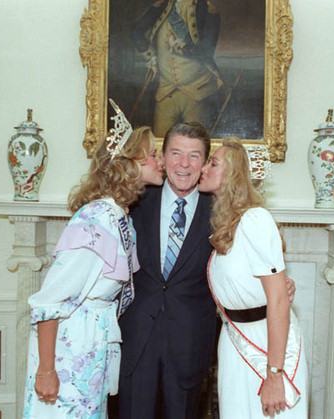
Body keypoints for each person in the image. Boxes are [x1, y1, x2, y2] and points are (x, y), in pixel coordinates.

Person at [22, 101, 164, 418]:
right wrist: (46, 370)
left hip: (93, 347)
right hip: (68, 353)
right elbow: (49, 301)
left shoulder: (120, 217)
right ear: (127, 164)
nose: (161, 160)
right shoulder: (95, 220)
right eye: (152, 154)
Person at [198, 137, 309, 418]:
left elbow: (278, 302)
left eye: (213, 162)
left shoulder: (255, 219)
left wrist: (274, 375)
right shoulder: (227, 225)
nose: (203, 168)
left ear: (234, 174)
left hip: (267, 347)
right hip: (235, 341)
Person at [117, 121, 216, 418]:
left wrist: (278, 283)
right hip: (136, 341)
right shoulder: (133, 201)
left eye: (194, 155)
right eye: (176, 153)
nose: (184, 164)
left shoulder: (220, 211)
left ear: (205, 163)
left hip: (189, 345)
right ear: (162, 157)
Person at [131, 0, 222, 137]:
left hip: (196, 90)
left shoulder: (207, 8)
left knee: (194, 142)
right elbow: (137, 31)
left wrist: (178, 46)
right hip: (165, 89)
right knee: (159, 141)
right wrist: (151, 57)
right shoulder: (163, 5)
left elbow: (206, 51)